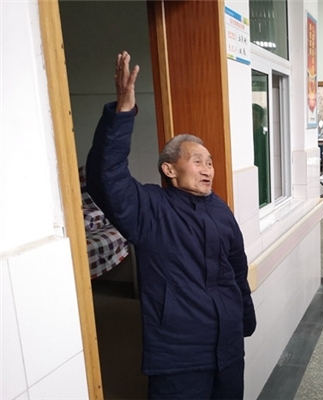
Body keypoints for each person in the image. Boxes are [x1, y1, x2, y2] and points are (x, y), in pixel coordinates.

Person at [86, 51, 256, 399]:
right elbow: (106, 177)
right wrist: (121, 114)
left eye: (210, 162)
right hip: (179, 356)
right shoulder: (150, 209)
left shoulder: (220, 210)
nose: (208, 169)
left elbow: (236, 269)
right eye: (197, 161)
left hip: (227, 348)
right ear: (169, 169)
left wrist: (244, 317)